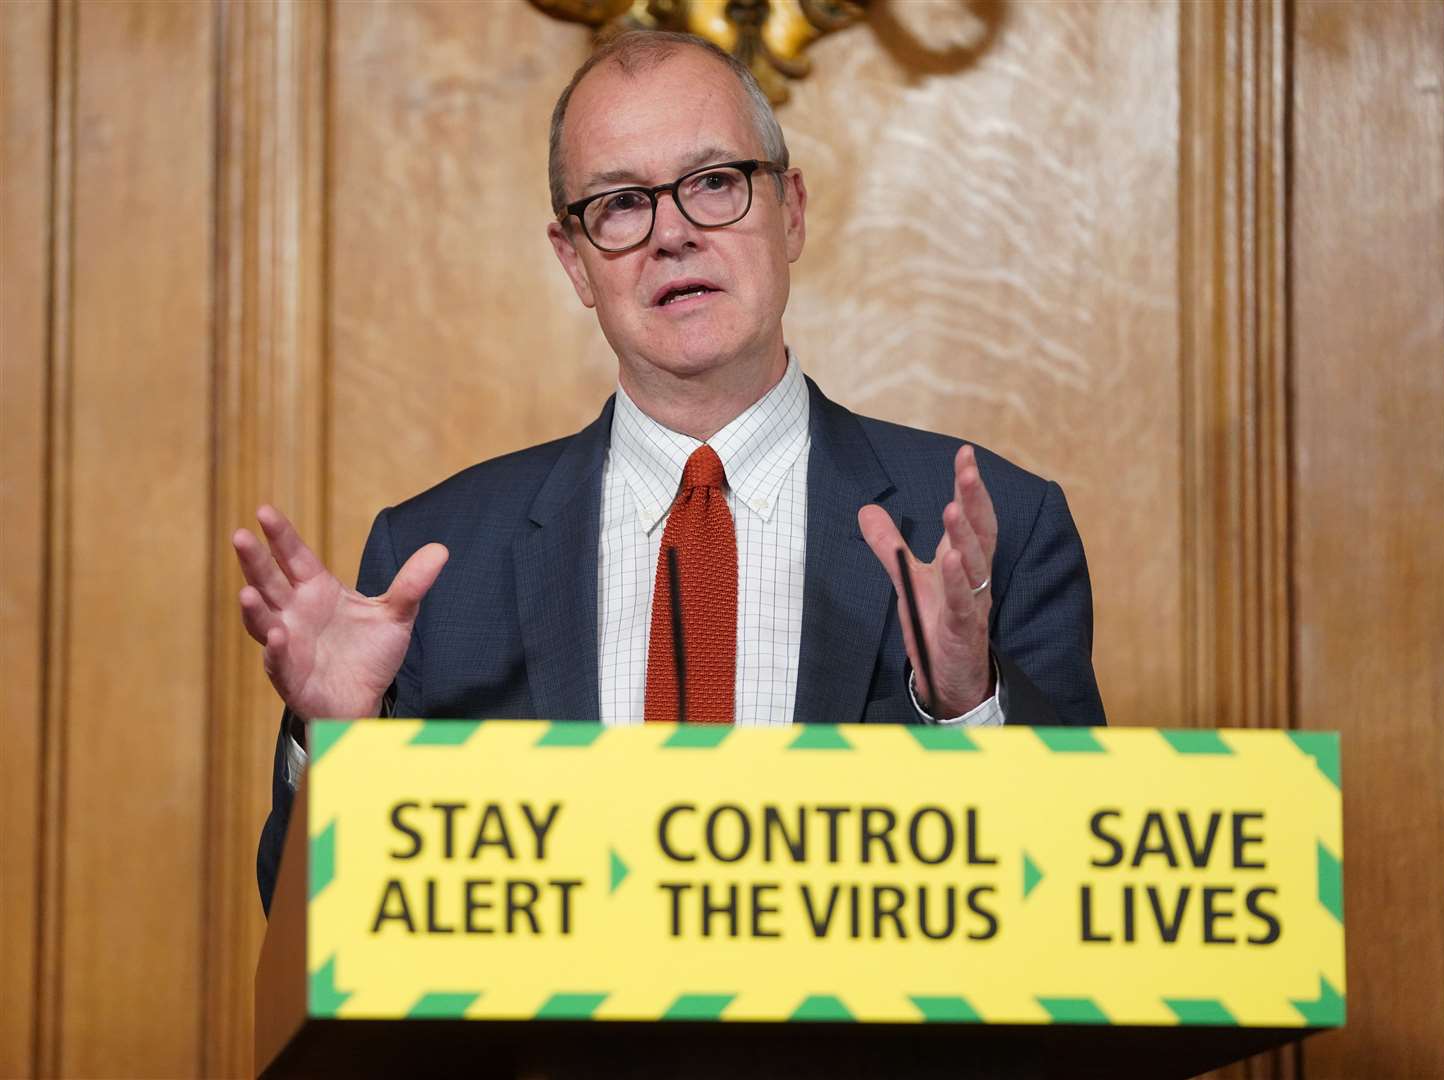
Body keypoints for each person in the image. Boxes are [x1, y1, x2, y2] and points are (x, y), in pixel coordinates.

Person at [237, 30, 1105, 914]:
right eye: (619, 204)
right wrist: (337, 742)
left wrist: (967, 706)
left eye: (714, 182)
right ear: (574, 260)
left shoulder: (995, 528)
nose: (674, 234)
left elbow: (1077, 908)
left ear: (790, 210)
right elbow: (313, 927)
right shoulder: (435, 562)